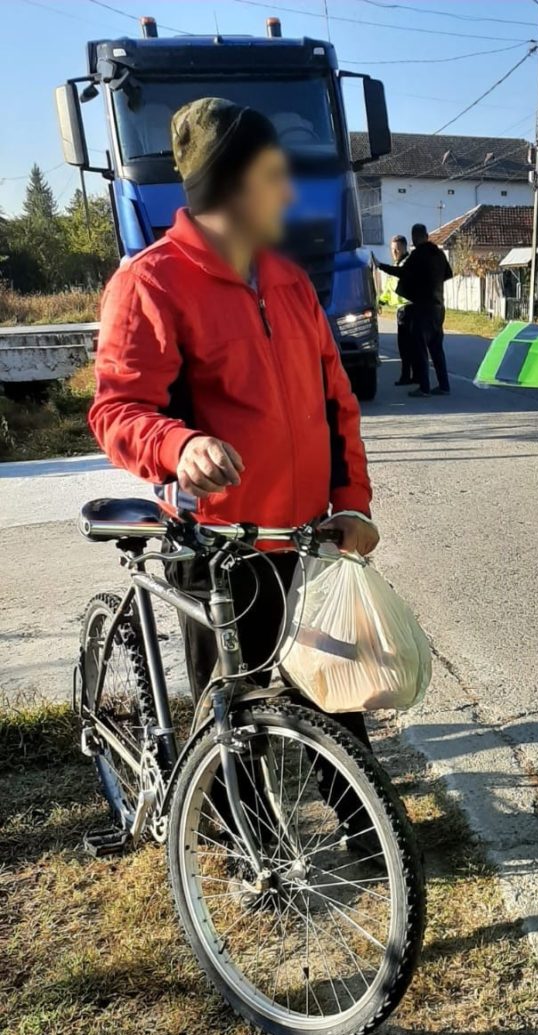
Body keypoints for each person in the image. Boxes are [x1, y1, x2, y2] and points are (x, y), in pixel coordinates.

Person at [89, 98, 379, 757]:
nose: (288, 191)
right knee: (232, 720)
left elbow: (338, 404)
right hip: (219, 542)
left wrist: (354, 504)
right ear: (233, 185)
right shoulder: (150, 285)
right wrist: (180, 445)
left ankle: (366, 851)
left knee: (333, 697)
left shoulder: (288, 280)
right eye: (274, 175)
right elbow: (116, 411)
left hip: (305, 537)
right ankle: (233, 845)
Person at [376, 222, 452, 398]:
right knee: (436, 348)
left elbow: (402, 273)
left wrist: (381, 266)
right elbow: (448, 274)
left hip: (422, 307)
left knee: (420, 349)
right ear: (427, 235)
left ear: (414, 238)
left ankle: (424, 388)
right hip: (439, 307)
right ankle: (444, 385)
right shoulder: (439, 254)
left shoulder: (418, 255)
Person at [379, 232, 417, 387]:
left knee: (409, 346)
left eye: (397, 249)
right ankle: (412, 376)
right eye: (392, 249)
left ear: (404, 248)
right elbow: (389, 290)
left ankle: (408, 376)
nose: (394, 253)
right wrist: (380, 302)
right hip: (402, 309)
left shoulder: (407, 263)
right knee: (406, 346)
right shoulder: (396, 266)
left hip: (410, 308)